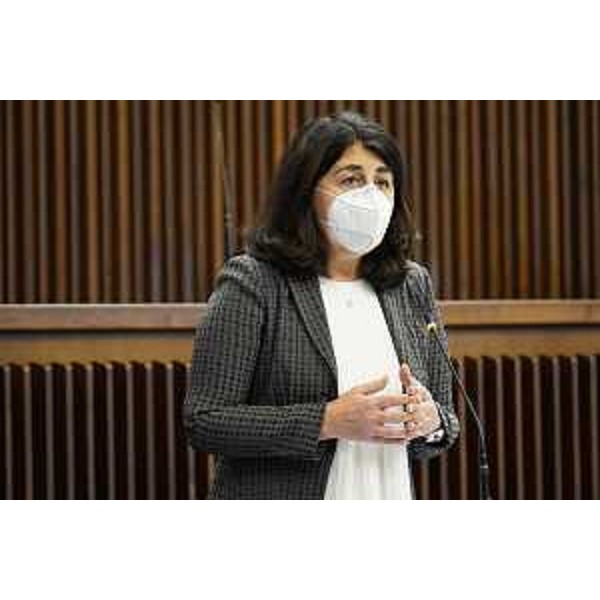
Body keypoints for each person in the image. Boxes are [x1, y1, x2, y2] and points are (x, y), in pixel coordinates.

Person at [183, 111, 460, 499]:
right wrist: (326, 421)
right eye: (351, 179)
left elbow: (446, 420)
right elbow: (205, 421)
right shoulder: (255, 282)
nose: (370, 195)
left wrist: (430, 422)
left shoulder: (410, 284)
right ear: (306, 191)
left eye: (382, 181)